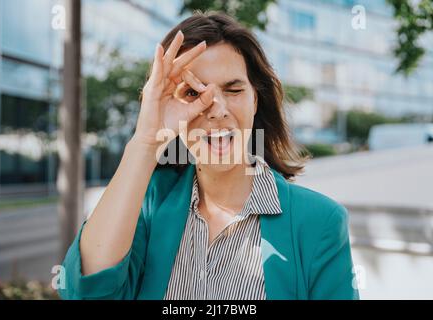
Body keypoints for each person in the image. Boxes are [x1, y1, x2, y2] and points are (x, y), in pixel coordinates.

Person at [58, 11, 359, 300]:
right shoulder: (150, 205)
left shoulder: (320, 222)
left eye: (233, 90)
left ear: (256, 99)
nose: (216, 109)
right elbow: (87, 291)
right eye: (192, 93)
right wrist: (147, 141)